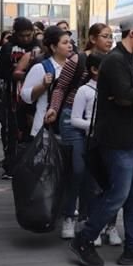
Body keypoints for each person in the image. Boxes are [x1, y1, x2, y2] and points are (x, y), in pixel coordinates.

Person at [69, 15, 133, 266]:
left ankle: (132, 247)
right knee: (118, 194)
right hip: (120, 141)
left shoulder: (131, 60)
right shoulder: (114, 61)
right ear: (132, 33)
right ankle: (84, 238)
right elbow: (125, 97)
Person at [44, 22, 116, 241]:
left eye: (111, 37)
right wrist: (54, 108)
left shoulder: (113, 61)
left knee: (94, 174)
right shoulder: (78, 59)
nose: (109, 41)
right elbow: (61, 87)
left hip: (99, 121)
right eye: (105, 36)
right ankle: (68, 216)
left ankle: (89, 219)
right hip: (72, 119)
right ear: (93, 39)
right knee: (77, 170)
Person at [69, 53, 108, 246]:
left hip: (111, 143)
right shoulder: (84, 91)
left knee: (108, 187)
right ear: (94, 70)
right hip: (93, 143)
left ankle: (106, 225)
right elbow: (75, 119)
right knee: (92, 186)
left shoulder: (111, 89)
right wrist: (94, 127)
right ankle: (89, 224)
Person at [0, 17, 38, 178]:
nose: (26, 39)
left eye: (28, 35)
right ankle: (10, 164)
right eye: (22, 35)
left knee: (29, 130)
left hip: (33, 96)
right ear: (15, 34)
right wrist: (13, 75)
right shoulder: (7, 48)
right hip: (12, 95)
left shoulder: (38, 47)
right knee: (10, 130)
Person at [20, 26, 72, 139]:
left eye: (70, 42)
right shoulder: (41, 67)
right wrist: (43, 86)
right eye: (65, 43)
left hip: (68, 126)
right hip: (45, 127)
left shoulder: (74, 67)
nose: (70, 46)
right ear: (53, 47)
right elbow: (25, 95)